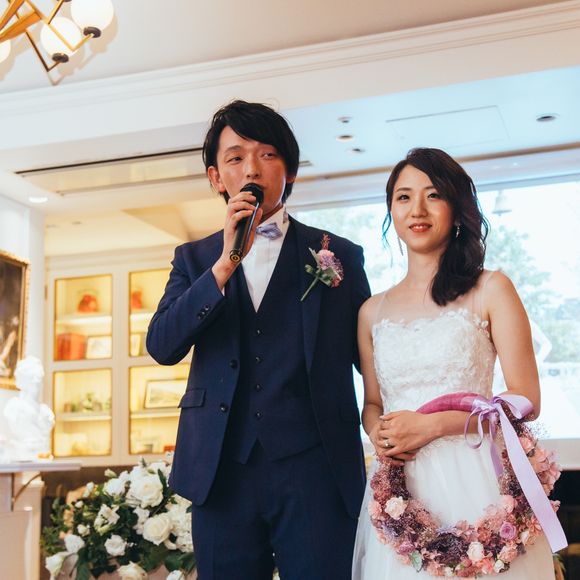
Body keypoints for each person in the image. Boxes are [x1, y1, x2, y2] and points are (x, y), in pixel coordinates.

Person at [146, 100, 371, 579]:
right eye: (235, 157)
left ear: (290, 171)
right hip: (221, 469)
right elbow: (162, 346)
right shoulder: (194, 258)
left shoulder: (339, 256)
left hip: (316, 469)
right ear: (216, 178)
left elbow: (371, 358)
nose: (251, 169)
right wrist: (224, 265)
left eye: (267, 154)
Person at [352, 148, 554, 578]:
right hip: (405, 485)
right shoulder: (371, 311)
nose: (417, 209)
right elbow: (372, 403)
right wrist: (379, 433)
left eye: (433, 195)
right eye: (404, 197)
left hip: (479, 476)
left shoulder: (491, 288)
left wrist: (433, 425)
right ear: (391, 211)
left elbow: (526, 399)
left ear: (457, 209)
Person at [4, 355, 55, 460]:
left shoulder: (46, 413)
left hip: (41, 455)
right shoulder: (14, 408)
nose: (36, 381)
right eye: (32, 377)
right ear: (22, 381)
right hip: (21, 455)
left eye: (39, 378)